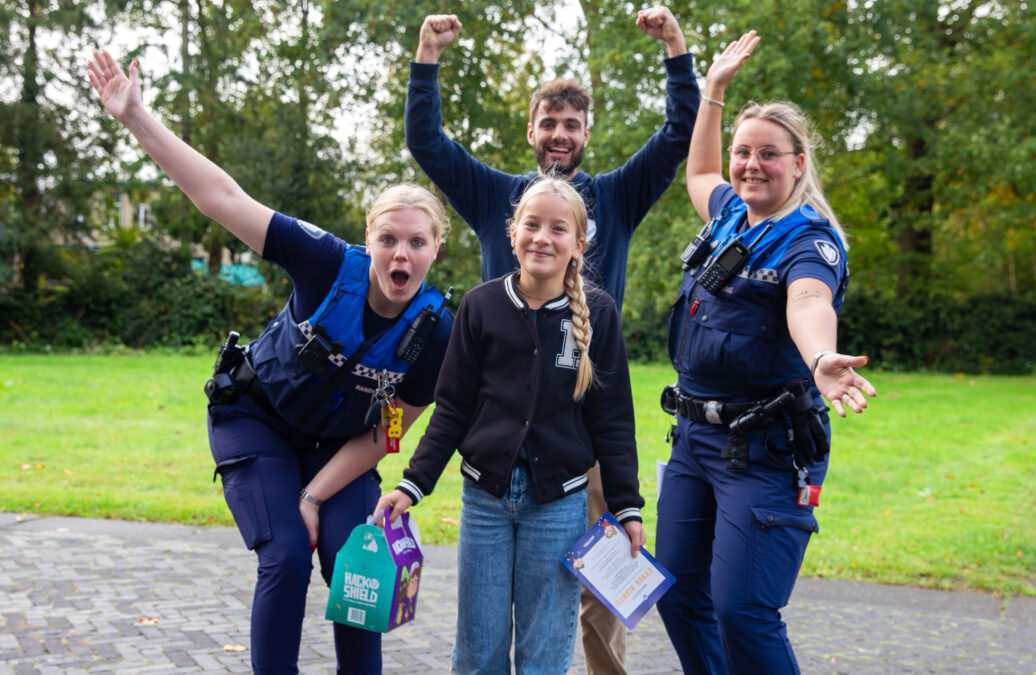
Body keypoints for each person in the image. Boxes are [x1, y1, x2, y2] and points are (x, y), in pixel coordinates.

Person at [89, 49, 454, 674]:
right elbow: (222, 197)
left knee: (354, 554)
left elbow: (385, 433)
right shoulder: (322, 262)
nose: (401, 253)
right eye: (388, 239)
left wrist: (314, 495)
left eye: (416, 242)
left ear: (435, 250)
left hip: (336, 448)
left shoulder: (436, 330)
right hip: (256, 418)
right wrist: (136, 119)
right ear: (368, 239)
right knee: (285, 554)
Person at [407, 10, 698, 669]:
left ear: (586, 133)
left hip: (581, 432)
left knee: (597, 587)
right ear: (532, 131)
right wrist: (427, 56)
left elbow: (678, 133)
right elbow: (428, 143)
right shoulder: (498, 198)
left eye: (572, 124)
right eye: (550, 123)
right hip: (503, 432)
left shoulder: (614, 197)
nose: (560, 135)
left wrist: (676, 50)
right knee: (492, 610)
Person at [654, 31, 878, 674]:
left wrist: (820, 359)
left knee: (743, 611)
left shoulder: (811, 241)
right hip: (695, 442)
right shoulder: (728, 213)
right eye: (743, 153)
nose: (751, 164)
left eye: (769, 155)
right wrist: (714, 92)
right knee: (677, 593)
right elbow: (698, 171)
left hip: (764, 450)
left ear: (799, 163)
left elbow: (808, 302)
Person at [372, 176, 646, 674]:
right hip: (485, 503)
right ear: (512, 232)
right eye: (532, 224)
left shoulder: (599, 315)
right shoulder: (480, 307)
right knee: (479, 651)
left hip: (559, 505)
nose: (543, 237)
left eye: (558, 228)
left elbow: (613, 423)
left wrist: (626, 508)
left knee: (545, 652)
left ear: (578, 245)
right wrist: (412, 485)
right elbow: (451, 408)